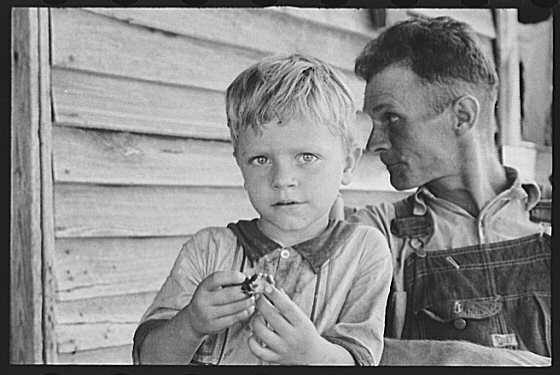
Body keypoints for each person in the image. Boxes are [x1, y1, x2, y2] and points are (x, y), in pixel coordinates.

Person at [131, 54, 393, 365]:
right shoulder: (208, 251)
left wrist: (312, 355)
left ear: (348, 163)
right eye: (261, 159)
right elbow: (149, 359)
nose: (282, 180)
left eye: (306, 157)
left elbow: (361, 358)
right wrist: (190, 324)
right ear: (239, 162)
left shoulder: (364, 252)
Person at [345, 16, 551, 366]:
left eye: (391, 118)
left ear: (462, 116)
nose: (375, 143)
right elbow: (322, 341)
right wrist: (453, 356)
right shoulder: (378, 231)